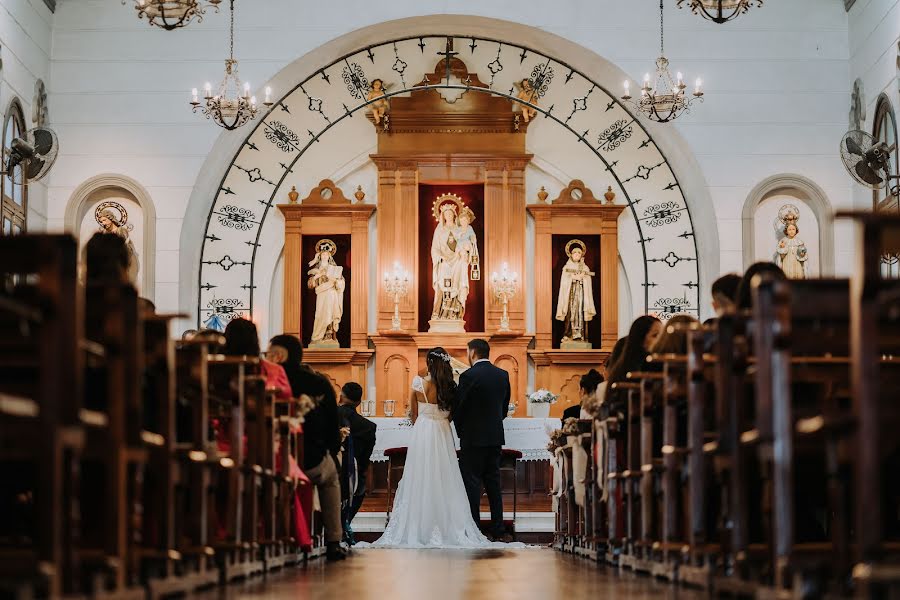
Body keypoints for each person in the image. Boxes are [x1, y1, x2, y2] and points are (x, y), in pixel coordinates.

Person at [365, 346, 517, 549]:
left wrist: (420, 418)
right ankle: (457, 525)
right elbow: (455, 412)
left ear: (428, 362)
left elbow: (412, 414)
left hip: (423, 432)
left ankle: (421, 525)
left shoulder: (418, 383)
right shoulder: (451, 387)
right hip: (443, 432)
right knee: (446, 475)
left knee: (422, 475)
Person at [267, 334, 345, 560]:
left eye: (269, 353)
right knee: (331, 478)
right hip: (310, 460)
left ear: (279, 355)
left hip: (269, 459)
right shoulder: (317, 383)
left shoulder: (265, 380)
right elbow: (333, 425)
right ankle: (333, 541)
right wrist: (330, 452)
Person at [454, 339, 513, 542]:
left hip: (472, 438)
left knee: (472, 485)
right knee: (493, 485)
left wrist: (461, 431)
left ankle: (475, 529)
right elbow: (504, 408)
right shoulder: (502, 375)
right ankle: (498, 529)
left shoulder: (468, 376)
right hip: (494, 436)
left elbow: (459, 408)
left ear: (472, 353)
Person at [337, 382, 376, 542]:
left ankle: (337, 525)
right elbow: (366, 456)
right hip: (354, 474)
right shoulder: (368, 426)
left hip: (334, 470)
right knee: (359, 487)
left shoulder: (331, 415)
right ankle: (345, 521)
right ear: (359, 402)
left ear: (341, 396)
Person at [605, 316, 662, 412]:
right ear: (640, 340)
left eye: (662, 336)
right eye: (655, 335)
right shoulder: (642, 367)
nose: (661, 341)